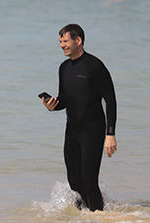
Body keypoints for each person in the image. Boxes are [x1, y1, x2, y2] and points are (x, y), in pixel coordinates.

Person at [40, 24, 117, 212]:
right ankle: (84, 221)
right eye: (60, 42)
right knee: (74, 182)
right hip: (72, 131)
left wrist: (110, 134)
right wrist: (53, 106)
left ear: (78, 40)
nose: (62, 45)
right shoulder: (64, 68)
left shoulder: (94, 65)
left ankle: (99, 220)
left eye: (65, 41)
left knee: (89, 181)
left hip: (93, 130)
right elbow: (65, 100)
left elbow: (110, 100)